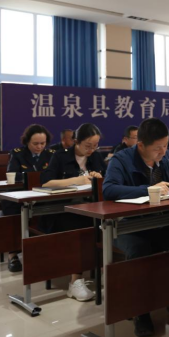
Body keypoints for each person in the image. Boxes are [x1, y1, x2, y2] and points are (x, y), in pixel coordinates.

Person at [103, 118, 169, 337]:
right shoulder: (121, 159)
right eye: (157, 148)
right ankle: (140, 312)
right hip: (128, 225)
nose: (163, 152)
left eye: (165, 145)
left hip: (160, 221)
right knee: (140, 250)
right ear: (140, 145)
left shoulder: (166, 156)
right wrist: (148, 189)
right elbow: (109, 189)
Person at [41, 123, 107, 303]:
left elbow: (108, 180)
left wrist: (99, 179)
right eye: (88, 146)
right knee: (81, 226)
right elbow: (46, 182)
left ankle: (104, 269)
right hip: (62, 210)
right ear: (76, 141)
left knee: (106, 224)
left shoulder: (96, 157)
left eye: (95, 146)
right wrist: (78, 180)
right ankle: (75, 281)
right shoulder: (60, 156)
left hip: (90, 207)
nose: (91, 150)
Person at [4, 124, 55, 272]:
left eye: (42, 143)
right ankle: (13, 253)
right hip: (21, 193)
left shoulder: (51, 154)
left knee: (55, 210)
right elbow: (13, 174)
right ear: (27, 142)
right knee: (13, 212)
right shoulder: (18, 154)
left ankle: (45, 248)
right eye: (35, 143)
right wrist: (35, 177)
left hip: (43, 194)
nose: (39, 147)